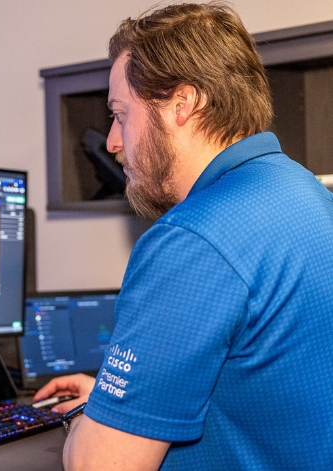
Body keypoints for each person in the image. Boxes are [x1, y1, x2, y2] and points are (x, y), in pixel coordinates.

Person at [34, 2, 333, 470]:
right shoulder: (307, 194)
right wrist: (123, 404)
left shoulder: (193, 240)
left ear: (182, 104)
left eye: (120, 114)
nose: (112, 142)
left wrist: (83, 418)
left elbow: (101, 465)